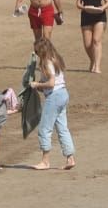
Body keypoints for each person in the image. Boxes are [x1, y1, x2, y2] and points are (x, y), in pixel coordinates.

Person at [29, 37, 75, 170]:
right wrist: (40, 86)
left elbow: (51, 83)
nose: (36, 54)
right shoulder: (56, 58)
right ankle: (70, 158)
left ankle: (45, 161)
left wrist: (37, 84)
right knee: (62, 128)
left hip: (54, 97)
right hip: (63, 94)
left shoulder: (47, 62)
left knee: (45, 128)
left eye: (37, 51)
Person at [77, 0, 108, 72]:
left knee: (96, 40)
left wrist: (102, 8)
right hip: (86, 16)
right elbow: (78, 3)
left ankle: (97, 66)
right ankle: (92, 60)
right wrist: (84, 7)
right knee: (87, 44)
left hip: (99, 16)